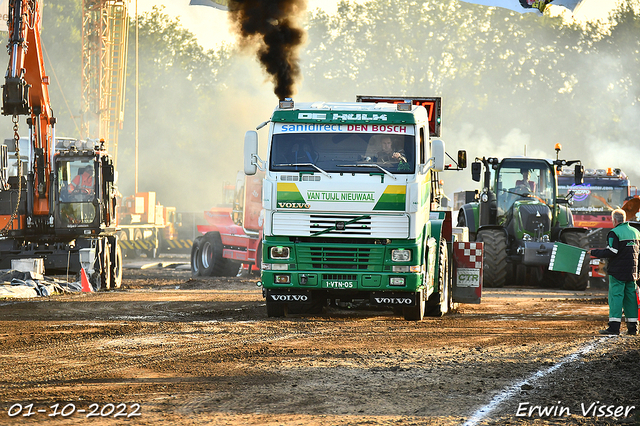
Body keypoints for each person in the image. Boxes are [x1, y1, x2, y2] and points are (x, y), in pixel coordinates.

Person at [589, 208, 640, 335]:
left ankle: (614, 327)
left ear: (615, 220)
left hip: (617, 272)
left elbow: (612, 251)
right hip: (633, 272)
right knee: (631, 298)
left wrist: (594, 252)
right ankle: (633, 328)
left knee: (616, 297)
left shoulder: (614, 232)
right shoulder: (636, 232)